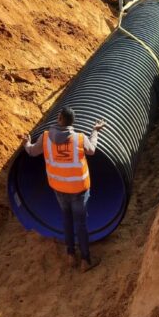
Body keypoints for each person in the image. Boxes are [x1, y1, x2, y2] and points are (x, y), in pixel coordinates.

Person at [24, 107, 106, 272]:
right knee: (80, 224)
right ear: (71, 123)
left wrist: (26, 142)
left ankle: (70, 255)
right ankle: (85, 260)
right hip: (79, 190)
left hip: (59, 188)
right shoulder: (80, 138)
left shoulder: (46, 137)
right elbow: (92, 150)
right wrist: (95, 131)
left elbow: (32, 151)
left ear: (59, 119)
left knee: (67, 219)